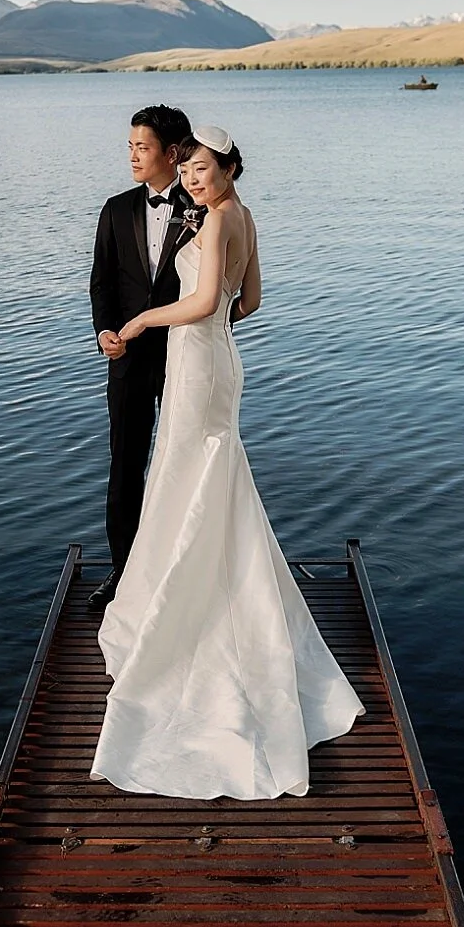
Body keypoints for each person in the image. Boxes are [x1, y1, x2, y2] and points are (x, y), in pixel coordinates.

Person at [91, 125, 363, 800]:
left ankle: (193, 603)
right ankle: (204, 579)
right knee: (202, 476)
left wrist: (147, 321)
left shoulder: (215, 223)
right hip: (215, 360)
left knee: (184, 475)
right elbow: (253, 301)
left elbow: (210, 301)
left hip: (195, 360)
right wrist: (206, 336)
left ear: (231, 167)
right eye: (185, 170)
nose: (191, 179)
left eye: (202, 168)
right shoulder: (245, 216)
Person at [88, 105, 196, 609]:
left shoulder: (202, 209)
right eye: (129, 147)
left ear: (171, 154)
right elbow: (102, 283)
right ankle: (122, 571)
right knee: (126, 465)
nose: (132, 156)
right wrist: (105, 332)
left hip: (184, 356)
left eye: (142, 148)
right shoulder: (115, 209)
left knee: (185, 463)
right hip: (128, 358)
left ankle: (184, 569)